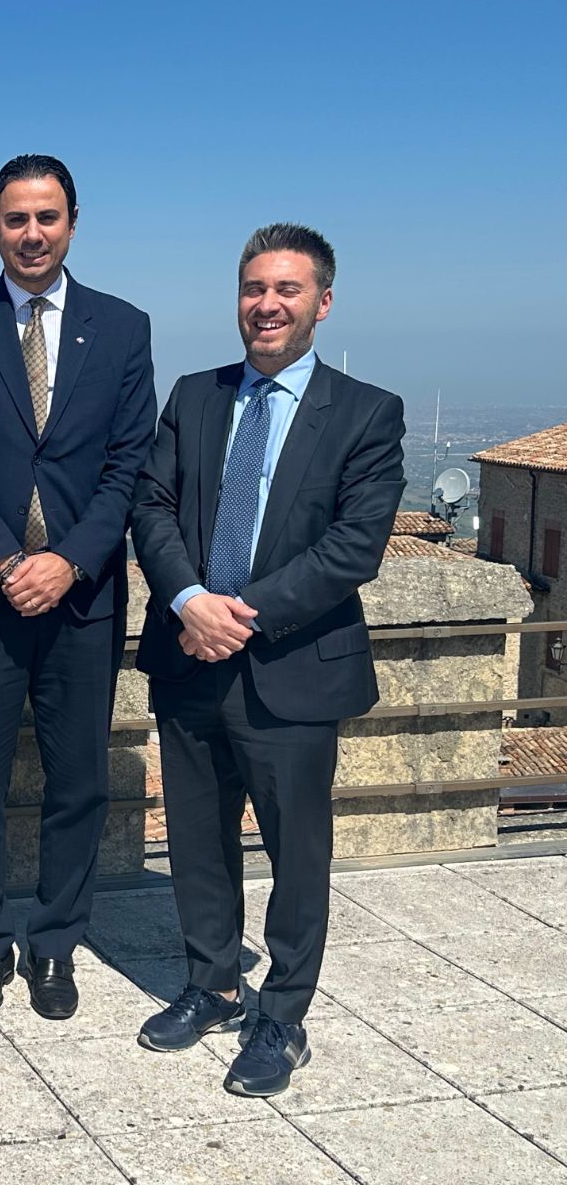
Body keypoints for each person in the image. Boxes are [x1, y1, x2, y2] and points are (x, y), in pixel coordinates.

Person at [130, 223, 404, 1096]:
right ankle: (212, 986)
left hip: (293, 669)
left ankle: (282, 1017)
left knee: (297, 855)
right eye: (254, 288)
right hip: (189, 659)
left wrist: (237, 617)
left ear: (323, 302)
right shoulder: (195, 395)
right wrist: (188, 601)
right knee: (198, 842)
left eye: (287, 289)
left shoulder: (366, 412)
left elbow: (353, 547)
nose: (267, 304)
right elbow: (152, 506)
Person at [0, 155, 157, 1019]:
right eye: (16, 218)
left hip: (83, 597)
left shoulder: (122, 327)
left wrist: (70, 560)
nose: (32, 233)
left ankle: (55, 946)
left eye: (47, 217)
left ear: (73, 223)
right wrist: (10, 563)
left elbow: (129, 462)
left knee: (79, 780)